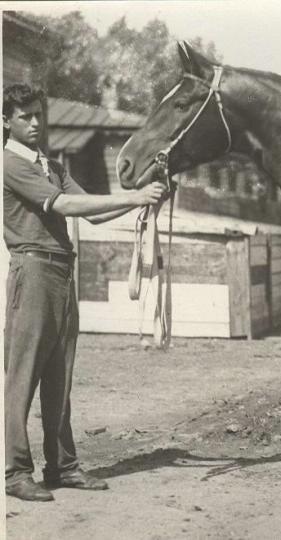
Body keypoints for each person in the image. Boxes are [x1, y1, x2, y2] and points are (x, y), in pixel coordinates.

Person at [3, 83, 167, 502]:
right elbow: (65, 207)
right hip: (33, 268)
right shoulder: (10, 164)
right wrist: (134, 194)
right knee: (23, 377)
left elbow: (93, 212)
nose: (36, 122)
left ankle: (62, 466)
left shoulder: (51, 166)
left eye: (39, 114)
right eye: (25, 116)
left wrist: (144, 196)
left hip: (61, 270)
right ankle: (17, 473)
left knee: (61, 374)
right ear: (6, 121)